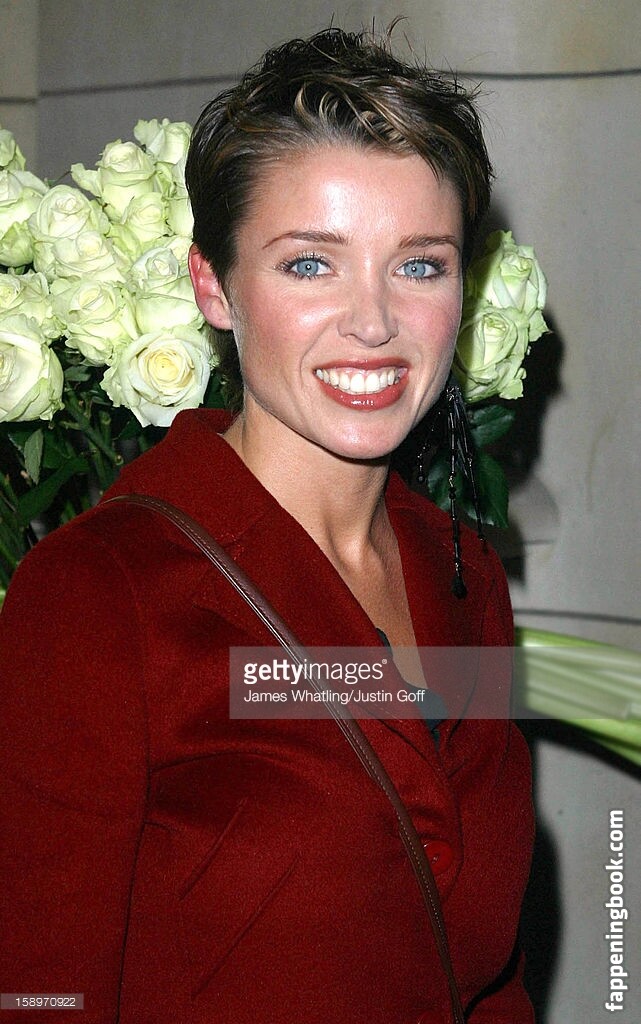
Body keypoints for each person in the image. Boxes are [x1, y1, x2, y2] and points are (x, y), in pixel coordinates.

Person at [0, 27, 535, 1024]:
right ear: (213, 285)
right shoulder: (100, 594)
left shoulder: (460, 574)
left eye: (419, 266)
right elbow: (37, 993)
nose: (372, 322)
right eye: (310, 264)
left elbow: (487, 977)